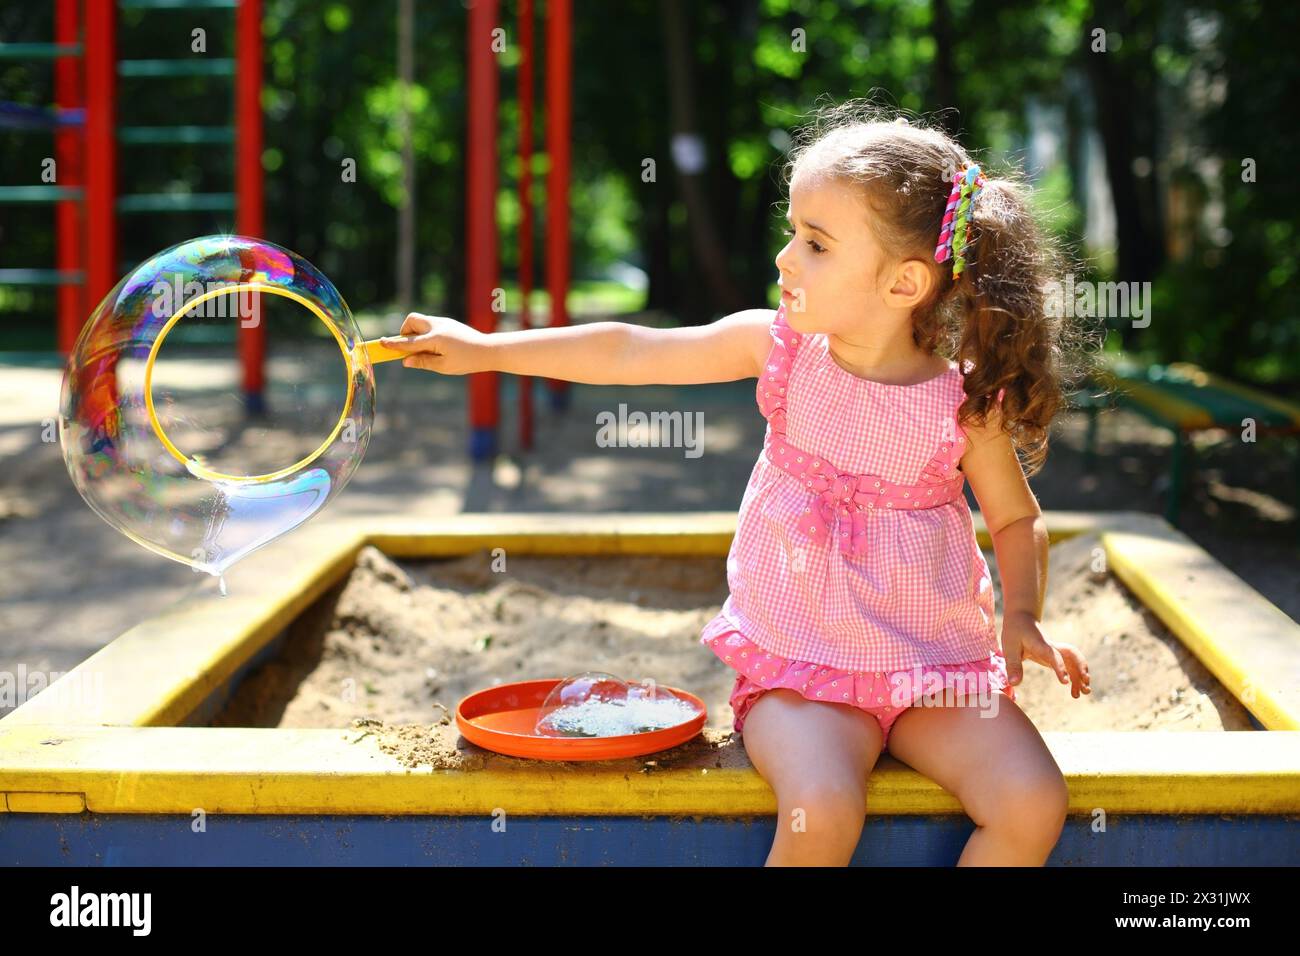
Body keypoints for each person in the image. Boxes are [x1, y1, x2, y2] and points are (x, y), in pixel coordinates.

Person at [381, 100, 1098, 867]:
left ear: (905, 283)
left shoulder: (965, 402)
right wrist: (488, 348)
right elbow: (632, 352)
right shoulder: (779, 351)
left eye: (816, 244)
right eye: (793, 233)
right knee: (820, 811)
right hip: (804, 673)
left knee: (1032, 802)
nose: (787, 258)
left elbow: (1017, 520)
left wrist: (1021, 612)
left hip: (933, 670)